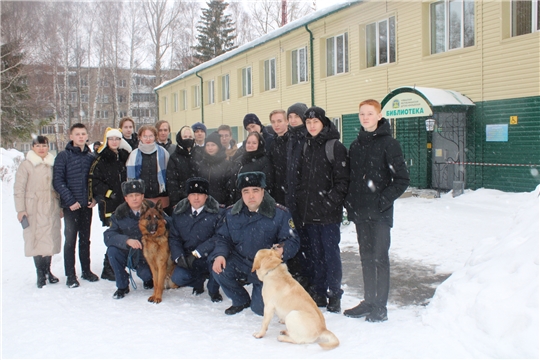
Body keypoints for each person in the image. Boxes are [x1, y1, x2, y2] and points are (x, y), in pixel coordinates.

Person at [343, 99, 410, 322]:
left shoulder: (390, 144)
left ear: (379, 115)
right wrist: (351, 205)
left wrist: (383, 200)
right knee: (366, 258)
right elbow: (352, 179)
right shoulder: (356, 145)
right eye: (362, 114)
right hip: (361, 213)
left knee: (380, 258)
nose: (365, 117)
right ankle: (368, 300)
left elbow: (401, 179)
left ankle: (380, 306)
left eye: (370, 113)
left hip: (380, 213)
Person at [211, 171, 299, 316]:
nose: (251, 196)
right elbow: (222, 237)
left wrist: (281, 250)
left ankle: (264, 295)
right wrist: (220, 255)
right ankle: (240, 300)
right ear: (241, 193)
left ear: (263, 191)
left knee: (259, 310)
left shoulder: (280, 213)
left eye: (255, 191)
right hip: (241, 261)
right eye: (246, 191)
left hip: (266, 266)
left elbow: (293, 241)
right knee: (218, 268)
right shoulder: (231, 213)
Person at [295, 106, 350, 313]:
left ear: (323, 122)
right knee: (315, 254)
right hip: (309, 213)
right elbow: (302, 180)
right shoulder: (306, 146)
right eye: (308, 123)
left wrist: (329, 202)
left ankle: (334, 294)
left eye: (315, 122)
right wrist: (303, 203)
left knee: (330, 254)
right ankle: (318, 291)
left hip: (328, 214)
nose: (311, 126)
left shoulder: (334, 146)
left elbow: (343, 181)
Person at [53, 123, 98, 288]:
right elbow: (58, 181)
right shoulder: (63, 156)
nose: (80, 137)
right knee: (70, 240)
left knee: (85, 240)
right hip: (71, 206)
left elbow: (96, 181)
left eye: (83, 134)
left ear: (87, 136)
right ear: (71, 136)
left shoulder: (91, 158)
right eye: (77, 134)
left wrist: (94, 198)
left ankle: (86, 270)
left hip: (86, 205)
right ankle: (71, 275)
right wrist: (70, 201)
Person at [14, 136, 62, 288]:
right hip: (33, 207)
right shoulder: (26, 165)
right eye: (38, 145)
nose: (41, 148)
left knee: (49, 240)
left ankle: (48, 271)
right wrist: (20, 209)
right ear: (33, 147)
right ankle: (40, 274)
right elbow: (19, 189)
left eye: (44, 145)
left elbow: (58, 186)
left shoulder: (52, 164)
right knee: (35, 240)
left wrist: (60, 206)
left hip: (51, 207)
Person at [168, 177, 224, 302]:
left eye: (200, 194)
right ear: (188, 196)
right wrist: (179, 257)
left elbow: (219, 237)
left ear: (206, 196)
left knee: (219, 267)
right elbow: (174, 237)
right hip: (188, 258)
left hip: (210, 256)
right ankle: (197, 283)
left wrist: (198, 252)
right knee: (178, 277)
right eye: (193, 194)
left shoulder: (218, 212)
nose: (196, 198)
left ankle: (213, 290)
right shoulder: (179, 213)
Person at [88, 128, 132, 281]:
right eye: (111, 139)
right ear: (107, 140)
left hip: (124, 202)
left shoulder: (124, 156)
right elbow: (94, 180)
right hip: (110, 203)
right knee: (114, 233)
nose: (114, 142)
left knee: (124, 232)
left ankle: (116, 265)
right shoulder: (100, 159)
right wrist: (108, 193)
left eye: (117, 139)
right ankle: (109, 267)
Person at [103, 179, 155, 299]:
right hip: (129, 253)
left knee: (146, 274)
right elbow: (109, 235)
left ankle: (148, 278)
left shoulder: (152, 209)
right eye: (131, 196)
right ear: (126, 198)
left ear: (142, 196)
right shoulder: (119, 213)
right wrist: (127, 241)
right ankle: (122, 286)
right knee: (112, 251)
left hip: (147, 255)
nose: (134, 198)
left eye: (137, 195)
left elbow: (168, 223)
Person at [283, 102, 310, 289]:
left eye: (296, 117)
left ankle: (308, 279)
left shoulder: (306, 138)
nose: (293, 120)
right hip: (292, 197)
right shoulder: (291, 137)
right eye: (290, 117)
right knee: (295, 238)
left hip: (304, 199)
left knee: (307, 243)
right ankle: (299, 275)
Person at [126, 125, 170, 209]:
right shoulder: (134, 154)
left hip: (161, 196)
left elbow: (169, 174)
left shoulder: (163, 153)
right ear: (140, 137)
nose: (148, 139)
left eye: (151, 136)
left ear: (155, 137)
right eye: (145, 136)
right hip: (141, 197)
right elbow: (130, 178)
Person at [228, 132, 273, 203]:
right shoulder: (238, 160)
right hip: (237, 202)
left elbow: (266, 184)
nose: (250, 145)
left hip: (254, 202)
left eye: (254, 143)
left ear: (259, 145)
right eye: (248, 142)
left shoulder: (264, 161)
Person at [194, 131, 231, 206]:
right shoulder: (201, 164)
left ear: (218, 146)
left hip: (220, 204)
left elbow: (229, 187)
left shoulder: (226, 164)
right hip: (203, 204)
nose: (210, 148)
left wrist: (226, 201)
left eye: (213, 145)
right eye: (207, 145)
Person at [167, 126, 197, 208]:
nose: (188, 139)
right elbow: (171, 181)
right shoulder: (174, 158)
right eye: (185, 137)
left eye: (190, 137)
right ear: (180, 138)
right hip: (181, 200)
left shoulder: (199, 155)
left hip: (198, 198)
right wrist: (174, 201)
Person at [267, 109, 289, 205]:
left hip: (291, 193)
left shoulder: (293, 141)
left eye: (279, 121)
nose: (276, 125)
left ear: (287, 121)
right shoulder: (272, 143)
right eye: (273, 122)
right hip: (276, 193)